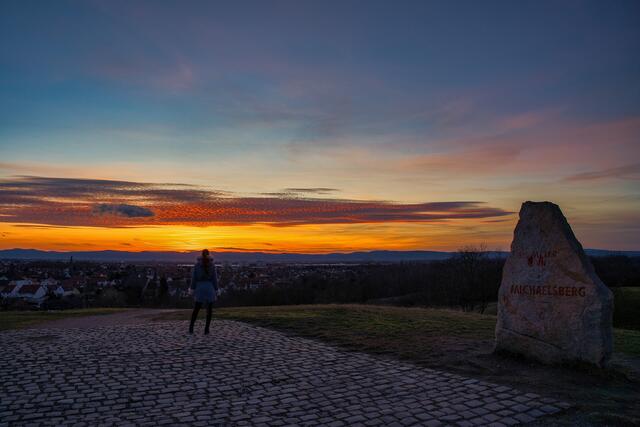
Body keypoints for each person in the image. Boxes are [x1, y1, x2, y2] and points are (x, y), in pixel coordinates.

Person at [189, 249, 218, 334]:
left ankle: (191, 328)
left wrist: (192, 289)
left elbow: (194, 279)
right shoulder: (212, 265)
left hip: (199, 288)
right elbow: (214, 279)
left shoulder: (197, 265)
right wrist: (216, 289)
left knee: (196, 308)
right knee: (209, 310)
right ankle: (206, 329)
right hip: (209, 288)